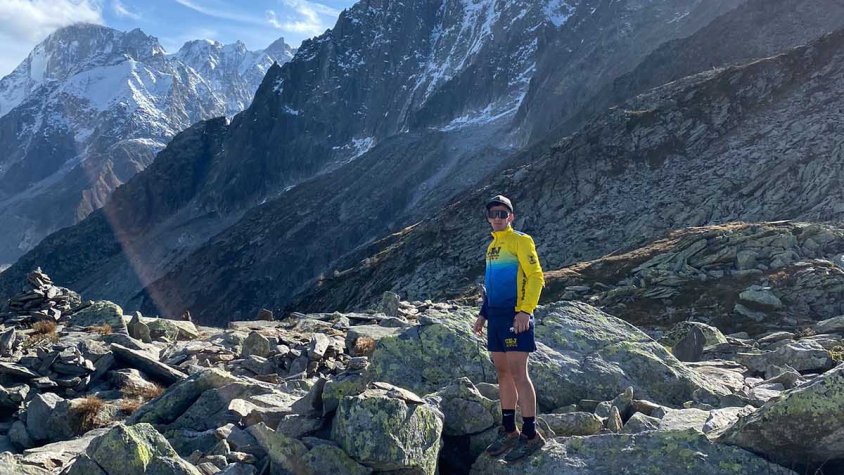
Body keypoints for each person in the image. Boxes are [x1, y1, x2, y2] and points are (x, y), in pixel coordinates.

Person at [473, 194, 545, 461]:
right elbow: (491, 287)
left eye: (503, 213)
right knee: (502, 373)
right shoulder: (492, 247)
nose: (498, 218)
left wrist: (525, 311)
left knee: (518, 374)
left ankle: (530, 434)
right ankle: (508, 429)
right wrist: (483, 314)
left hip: (516, 318)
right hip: (496, 319)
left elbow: (536, 277)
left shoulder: (521, 241)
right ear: (488, 218)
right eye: (493, 214)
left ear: (511, 217)